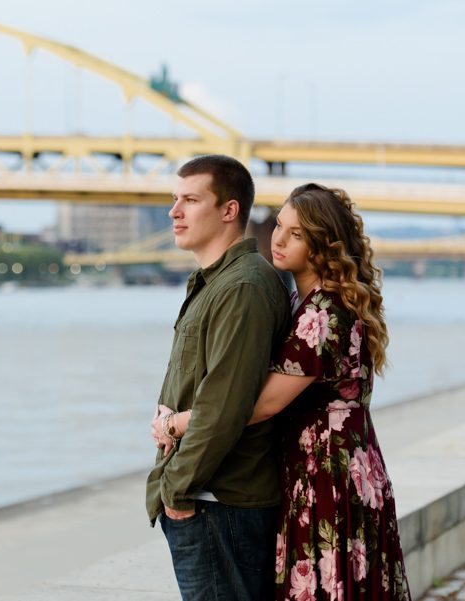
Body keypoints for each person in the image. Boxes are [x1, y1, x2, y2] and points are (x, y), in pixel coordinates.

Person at [154, 183, 412, 600]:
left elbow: (262, 405)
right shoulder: (307, 301)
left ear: (322, 246)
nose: (277, 238)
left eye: (296, 234)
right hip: (340, 466)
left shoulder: (322, 313)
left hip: (326, 474)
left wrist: (176, 422)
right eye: (278, 225)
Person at [146, 154, 291, 601]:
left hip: (218, 503)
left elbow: (225, 407)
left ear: (229, 210)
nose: (175, 211)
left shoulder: (243, 287)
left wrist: (177, 492)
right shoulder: (216, 282)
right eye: (175, 199)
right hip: (209, 501)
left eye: (190, 200)